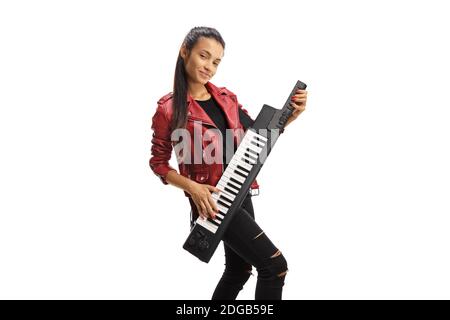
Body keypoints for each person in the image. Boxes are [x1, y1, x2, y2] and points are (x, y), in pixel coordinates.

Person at [149, 26, 308, 300]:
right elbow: (158, 163)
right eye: (204, 56)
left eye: (216, 61)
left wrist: (290, 116)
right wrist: (192, 188)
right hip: (211, 201)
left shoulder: (226, 97)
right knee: (274, 266)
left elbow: (257, 136)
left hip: (240, 186)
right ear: (185, 51)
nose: (209, 66)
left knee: (239, 269)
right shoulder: (169, 108)